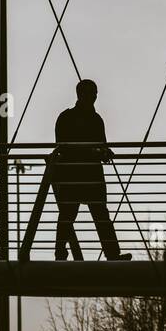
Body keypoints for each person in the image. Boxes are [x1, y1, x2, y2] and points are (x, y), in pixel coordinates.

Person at [50, 79, 132, 261]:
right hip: (84, 174)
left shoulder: (71, 118)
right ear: (83, 95)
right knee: (95, 214)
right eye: (92, 93)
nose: (94, 96)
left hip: (75, 175)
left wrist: (102, 151)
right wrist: (97, 152)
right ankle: (111, 253)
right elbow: (67, 146)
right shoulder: (92, 119)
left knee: (70, 214)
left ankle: (61, 253)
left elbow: (65, 145)